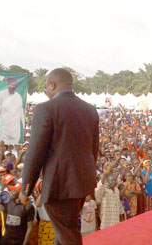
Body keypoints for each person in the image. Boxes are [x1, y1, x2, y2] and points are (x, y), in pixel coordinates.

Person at [19, 68, 100, 245]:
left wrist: (26, 189)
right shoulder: (90, 110)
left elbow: (34, 153)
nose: (46, 91)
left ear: (52, 84)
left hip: (59, 186)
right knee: (63, 231)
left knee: (67, 232)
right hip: (81, 184)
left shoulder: (45, 109)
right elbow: (94, 151)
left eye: (45, 87)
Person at [0, 77, 25, 144]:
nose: (12, 87)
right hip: (4, 130)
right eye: (11, 85)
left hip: (15, 130)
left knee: (13, 150)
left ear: (16, 86)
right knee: (1, 148)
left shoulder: (19, 97)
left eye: (14, 85)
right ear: (8, 84)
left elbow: (21, 113)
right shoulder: (1, 94)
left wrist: (24, 127)